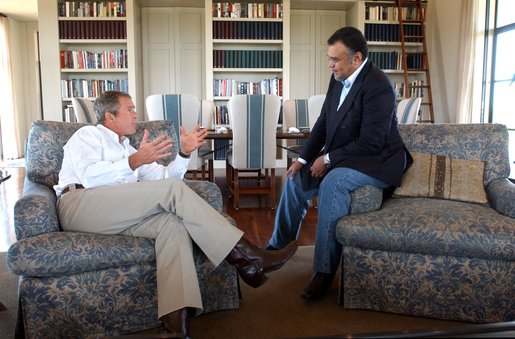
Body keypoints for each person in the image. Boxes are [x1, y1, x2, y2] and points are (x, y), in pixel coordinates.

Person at [54, 90, 298, 337]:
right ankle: (248, 259)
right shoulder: (88, 135)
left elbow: (164, 178)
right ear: (110, 116)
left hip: (115, 214)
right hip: (79, 204)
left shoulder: (129, 149)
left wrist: (183, 153)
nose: (136, 114)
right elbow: (89, 176)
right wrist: (134, 162)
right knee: (172, 192)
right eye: (130, 109)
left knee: (172, 225)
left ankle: (174, 325)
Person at [265, 27, 412, 301]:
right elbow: (322, 124)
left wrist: (328, 159)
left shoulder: (379, 86)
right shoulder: (338, 77)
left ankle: (324, 272)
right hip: (346, 155)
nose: (330, 64)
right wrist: (303, 159)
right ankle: (277, 248)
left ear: (357, 58)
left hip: (377, 161)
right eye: (329, 58)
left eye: (336, 59)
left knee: (332, 181)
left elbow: (371, 142)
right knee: (295, 178)